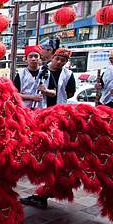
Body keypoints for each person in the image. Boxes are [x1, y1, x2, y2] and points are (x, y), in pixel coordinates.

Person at [20, 47, 77, 209]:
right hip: (39, 115)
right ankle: (44, 188)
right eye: (57, 59)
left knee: (56, 151)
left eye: (63, 60)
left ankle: (49, 187)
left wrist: (50, 93)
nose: (59, 62)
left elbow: (69, 93)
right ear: (52, 57)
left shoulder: (68, 75)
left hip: (59, 115)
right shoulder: (41, 71)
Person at [13, 45, 53, 109]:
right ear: (26, 59)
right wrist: (32, 97)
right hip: (24, 110)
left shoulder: (47, 72)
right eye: (30, 56)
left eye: (36, 56)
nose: (33, 59)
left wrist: (46, 91)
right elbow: (14, 94)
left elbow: (54, 92)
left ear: (40, 58)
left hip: (41, 110)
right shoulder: (20, 74)